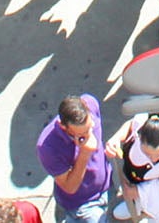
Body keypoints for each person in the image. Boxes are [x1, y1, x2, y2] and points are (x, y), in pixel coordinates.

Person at [37, 95, 113, 223]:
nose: (90, 134)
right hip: (82, 205)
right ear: (63, 127)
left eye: (90, 126)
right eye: (83, 135)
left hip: (106, 185)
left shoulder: (91, 103)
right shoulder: (47, 147)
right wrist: (84, 153)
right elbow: (69, 187)